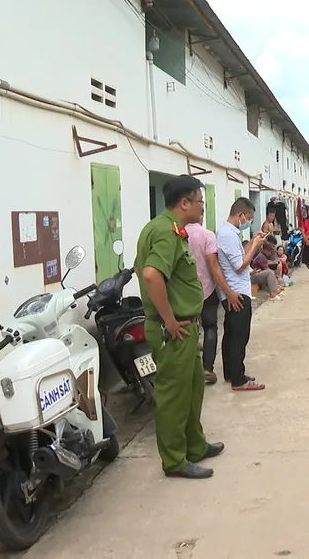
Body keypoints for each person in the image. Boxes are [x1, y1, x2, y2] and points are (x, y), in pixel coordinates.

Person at [134, 175, 223, 480]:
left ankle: (194, 445)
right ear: (184, 202)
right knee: (173, 396)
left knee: (193, 388)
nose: (202, 207)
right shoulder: (166, 232)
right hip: (173, 330)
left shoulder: (161, 228)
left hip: (184, 328)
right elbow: (150, 275)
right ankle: (174, 460)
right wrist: (169, 320)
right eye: (200, 202)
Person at [216, 198, 268, 392]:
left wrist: (254, 242)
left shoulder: (229, 234)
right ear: (240, 215)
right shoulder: (227, 235)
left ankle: (232, 373)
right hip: (237, 293)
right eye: (249, 218)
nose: (249, 222)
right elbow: (239, 265)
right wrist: (254, 247)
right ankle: (238, 379)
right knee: (239, 336)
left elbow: (239, 256)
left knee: (231, 334)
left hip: (235, 290)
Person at [186, 216, 238, 386]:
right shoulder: (207, 235)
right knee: (210, 327)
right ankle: (207, 368)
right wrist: (227, 290)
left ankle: (188, 370)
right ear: (200, 216)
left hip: (184, 292)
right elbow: (214, 266)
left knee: (188, 328)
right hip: (206, 289)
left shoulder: (178, 233)